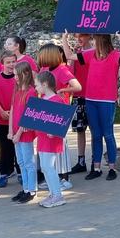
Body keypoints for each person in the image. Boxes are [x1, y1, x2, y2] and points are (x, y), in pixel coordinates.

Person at [67, 32, 120, 182]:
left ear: (101, 41)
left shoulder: (115, 55)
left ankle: (112, 167)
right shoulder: (91, 54)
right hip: (90, 99)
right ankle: (96, 168)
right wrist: (64, 39)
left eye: (95, 40)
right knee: (96, 134)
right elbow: (70, 56)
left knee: (108, 134)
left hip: (106, 100)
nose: (93, 42)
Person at [36, 42, 82, 190]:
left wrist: (63, 89)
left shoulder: (62, 70)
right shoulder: (44, 69)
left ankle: (65, 177)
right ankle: (53, 176)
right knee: (49, 147)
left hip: (60, 110)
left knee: (60, 144)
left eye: (42, 55)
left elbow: (77, 86)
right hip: (47, 109)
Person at [32, 70, 70, 208]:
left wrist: (54, 132)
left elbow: (62, 120)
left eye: (37, 85)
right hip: (42, 138)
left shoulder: (57, 100)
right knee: (44, 167)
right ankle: (53, 193)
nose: (35, 88)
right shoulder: (43, 99)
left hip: (51, 139)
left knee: (48, 166)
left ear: (45, 84)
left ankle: (58, 195)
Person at [9, 62, 39, 204]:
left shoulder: (31, 92)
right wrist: (10, 131)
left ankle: (32, 189)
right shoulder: (16, 90)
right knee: (21, 161)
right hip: (15, 132)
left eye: (16, 74)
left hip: (24, 133)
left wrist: (18, 133)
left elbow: (28, 115)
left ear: (25, 74)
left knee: (28, 162)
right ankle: (26, 188)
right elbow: (13, 110)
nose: (14, 77)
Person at [68, 32, 95, 174]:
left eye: (82, 36)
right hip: (78, 95)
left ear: (89, 36)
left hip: (92, 95)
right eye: (76, 36)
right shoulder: (76, 53)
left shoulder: (95, 52)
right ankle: (81, 161)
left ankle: (95, 162)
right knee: (80, 130)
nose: (79, 39)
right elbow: (70, 71)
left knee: (95, 130)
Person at [0, 51, 19, 187]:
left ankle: (20, 171)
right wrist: (0, 111)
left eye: (13, 61)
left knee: (18, 146)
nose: (11, 64)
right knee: (4, 147)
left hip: (17, 118)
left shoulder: (19, 78)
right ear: (2, 64)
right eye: (8, 62)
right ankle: (4, 173)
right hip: (2, 119)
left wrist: (15, 113)